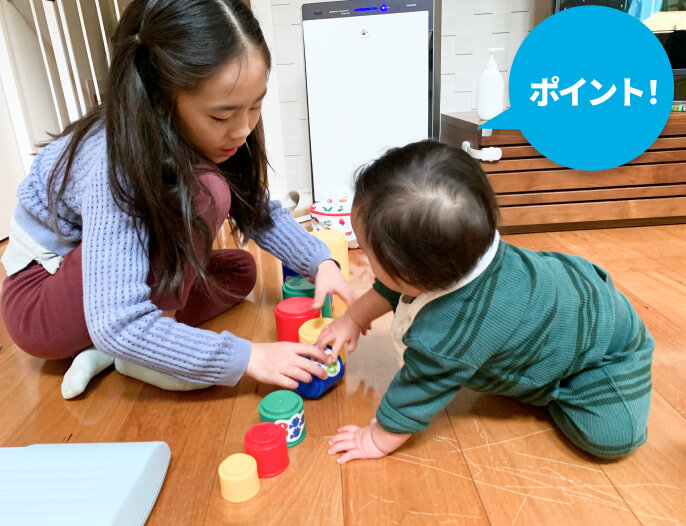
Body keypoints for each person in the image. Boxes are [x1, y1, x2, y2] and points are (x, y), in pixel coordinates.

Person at [0, 0, 352, 399]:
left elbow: (256, 208)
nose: (242, 129)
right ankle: (137, 347)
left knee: (239, 271)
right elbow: (116, 320)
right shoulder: (115, 159)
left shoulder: (209, 129)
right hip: (39, 301)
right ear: (162, 99)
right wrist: (250, 357)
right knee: (206, 192)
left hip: (97, 291)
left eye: (255, 106)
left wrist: (320, 261)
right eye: (221, 117)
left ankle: (118, 349)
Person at [317, 140, 654, 463]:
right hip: (572, 294)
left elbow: (419, 388)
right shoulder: (460, 251)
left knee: (613, 438)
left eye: (366, 250)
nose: (363, 253)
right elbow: (393, 288)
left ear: (415, 277)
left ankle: (554, 383)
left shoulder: (447, 332)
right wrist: (353, 318)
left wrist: (376, 438)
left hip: (605, 352)